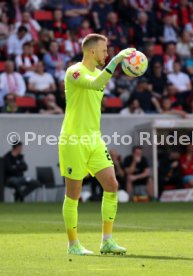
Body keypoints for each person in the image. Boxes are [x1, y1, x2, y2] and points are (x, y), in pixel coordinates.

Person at [58, 33, 134, 255]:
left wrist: (115, 63)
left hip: (94, 139)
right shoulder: (74, 71)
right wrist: (118, 60)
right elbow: (95, 84)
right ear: (92, 51)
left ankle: (107, 241)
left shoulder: (100, 72)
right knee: (73, 195)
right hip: (73, 139)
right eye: (104, 50)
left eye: (108, 51)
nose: (107, 53)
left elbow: (100, 80)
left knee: (112, 185)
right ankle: (73, 245)